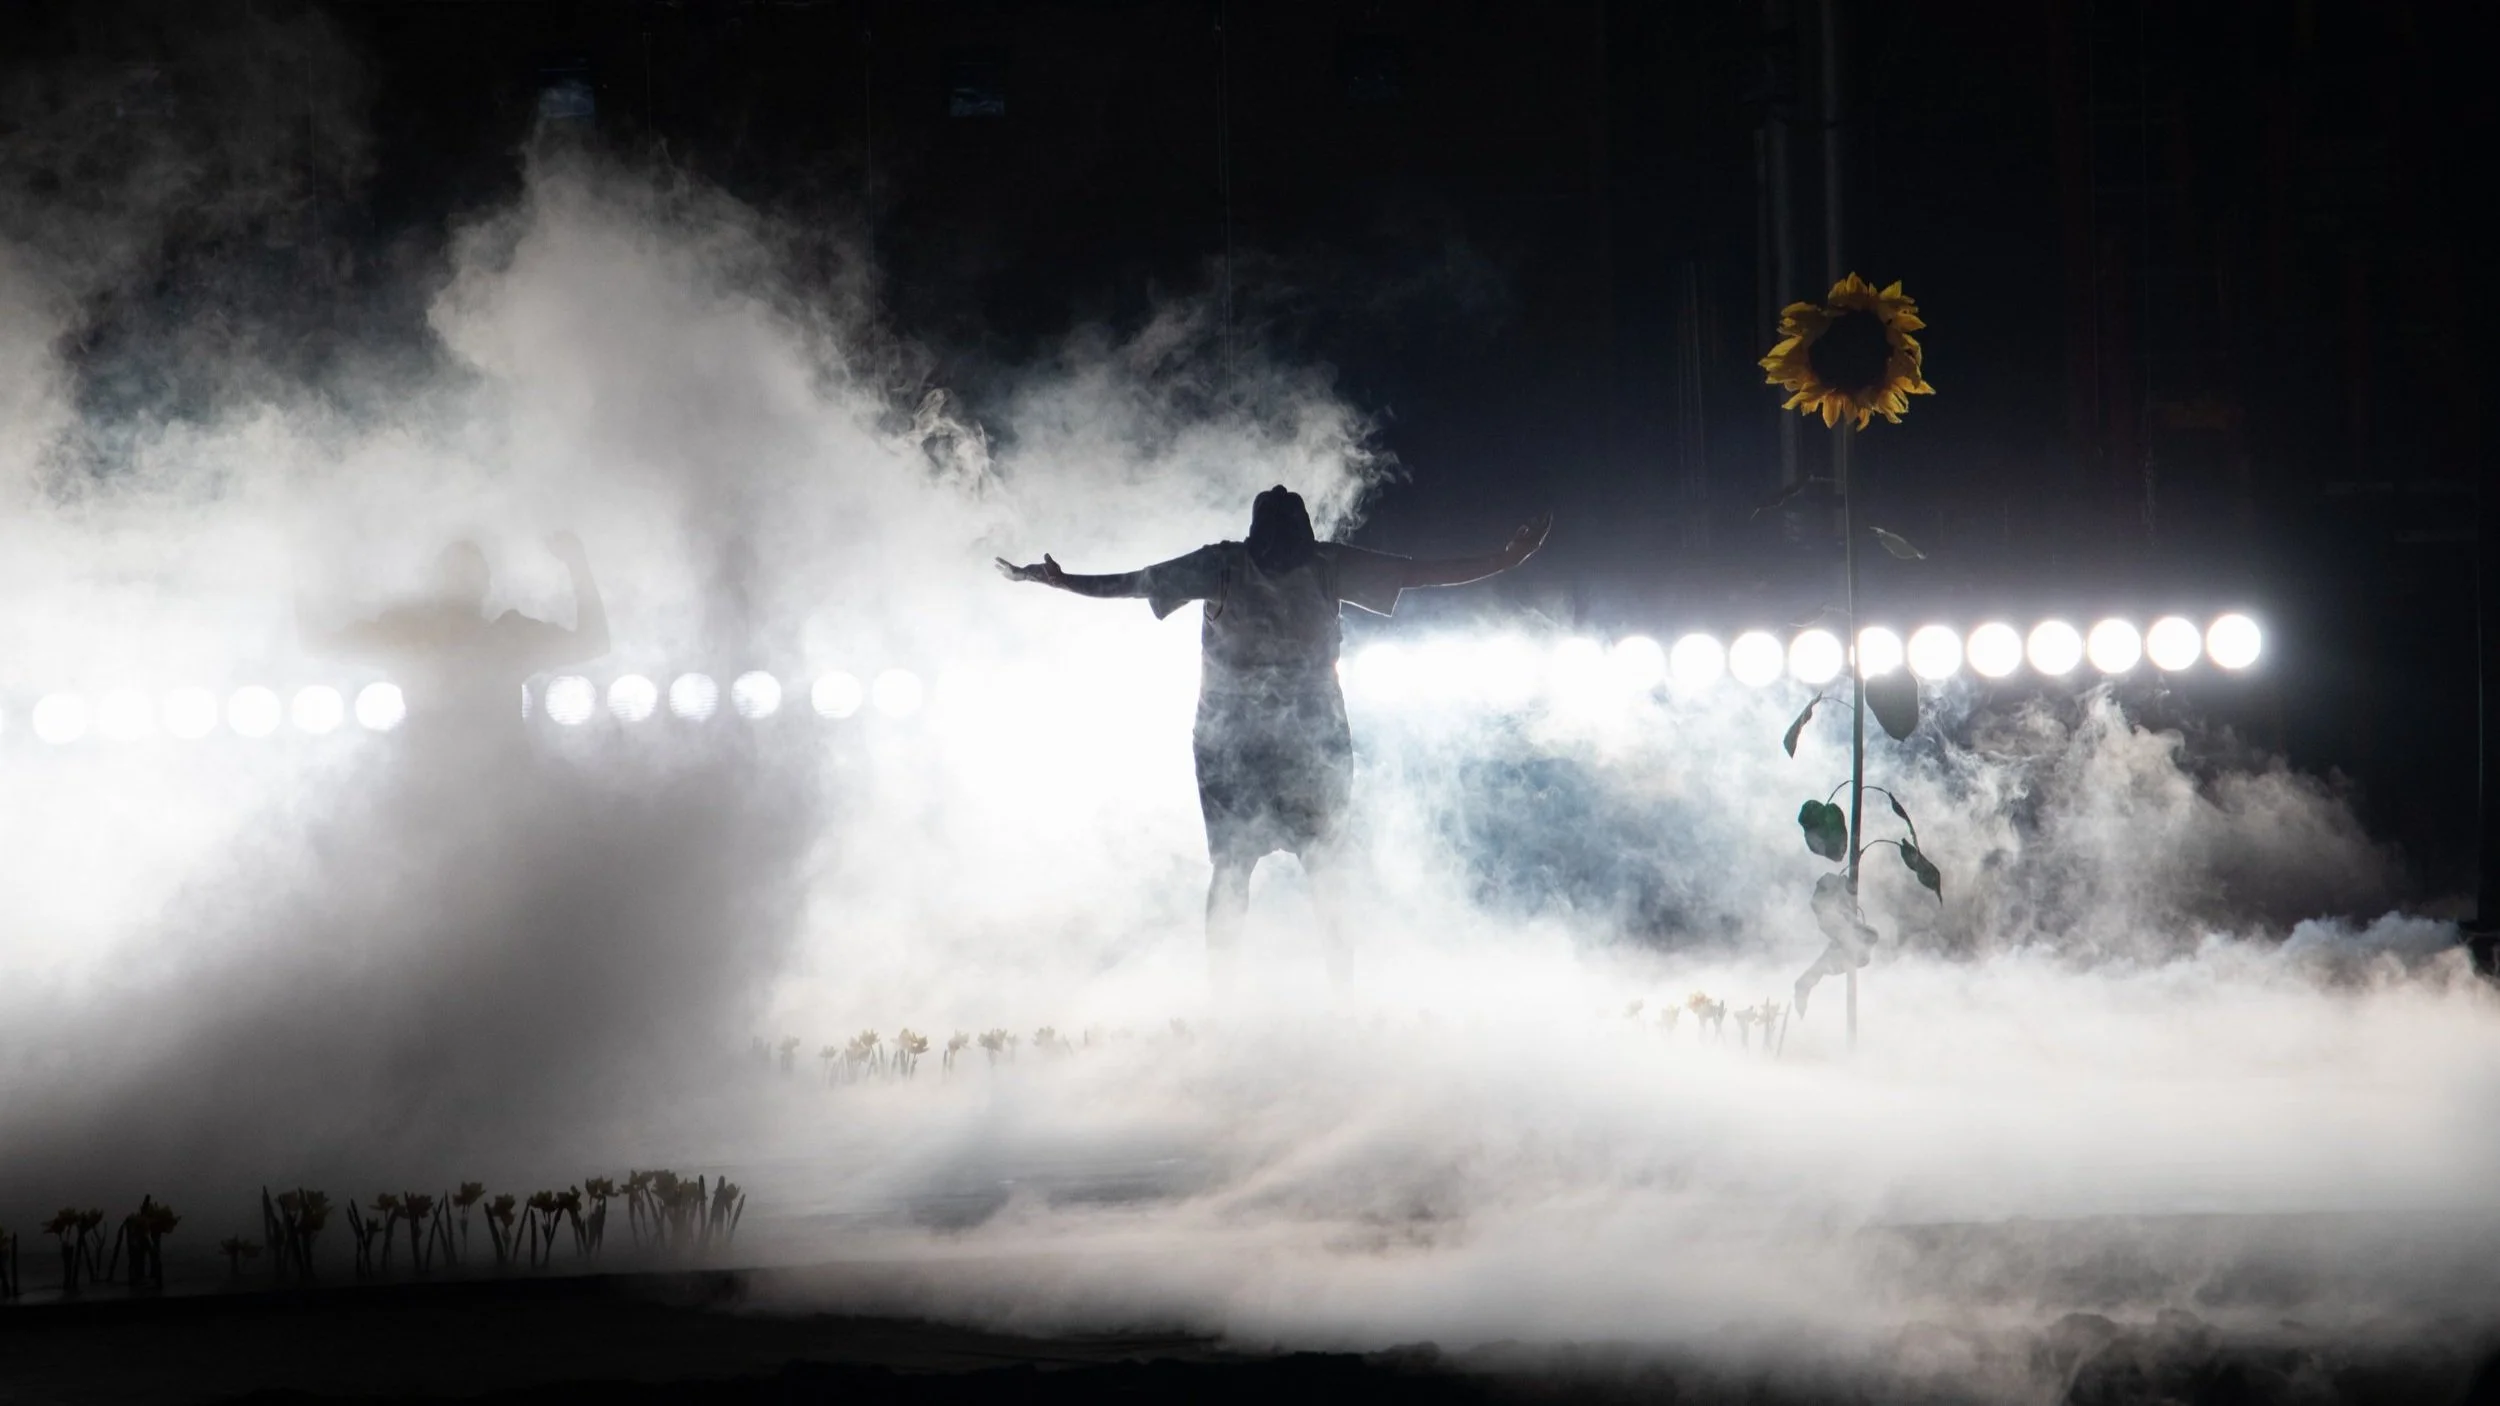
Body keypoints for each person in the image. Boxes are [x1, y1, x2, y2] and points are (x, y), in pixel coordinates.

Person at [998, 486, 1549, 986]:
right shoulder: (1237, 563)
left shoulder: (1299, 563)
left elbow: (1421, 573)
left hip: (1302, 739)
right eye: (1280, 510)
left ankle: (1330, 1000)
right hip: (1237, 741)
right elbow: (1137, 582)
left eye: (1290, 511)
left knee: (1308, 869)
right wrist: (1063, 580)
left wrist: (1506, 558)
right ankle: (1237, 1003)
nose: (1286, 515)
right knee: (1246, 868)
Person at [301, 532, 610, 736]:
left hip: (495, 792)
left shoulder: (504, 638)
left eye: (470, 573)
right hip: (442, 793)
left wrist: (577, 563)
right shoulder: (411, 636)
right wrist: (576, 563)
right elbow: (317, 644)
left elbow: (594, 643)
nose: (463, 581)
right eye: (457, 573)